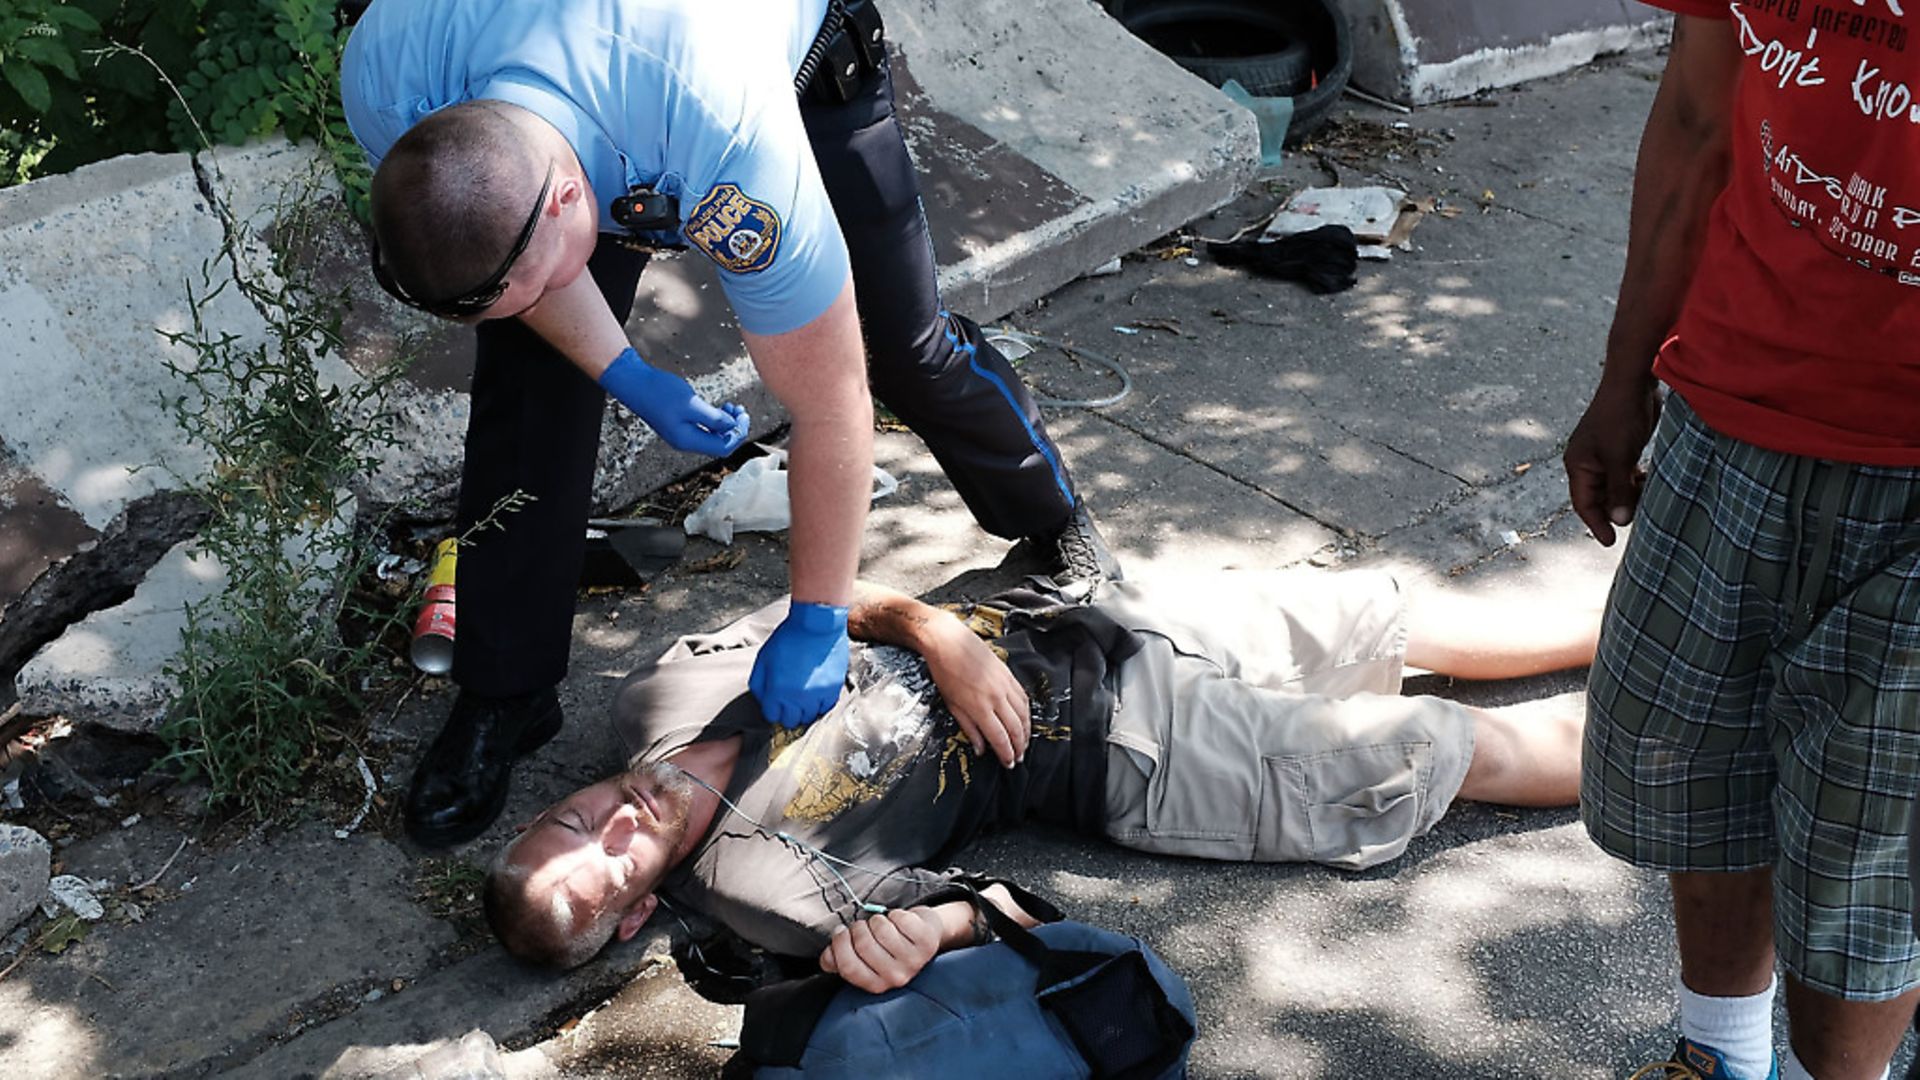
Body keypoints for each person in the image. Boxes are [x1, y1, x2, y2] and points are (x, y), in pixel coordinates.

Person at [338, 0, 1119, 848]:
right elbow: (488, 239)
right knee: (530, 383)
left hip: (782, 51)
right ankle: (505, 689)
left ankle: (1051, 514)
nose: (529, 307)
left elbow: (830, 401)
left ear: (573, 199)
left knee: (899, 344)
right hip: (572, 104)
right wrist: (623, 369)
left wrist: (819, 616)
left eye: (525, 290)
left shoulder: (733, 147)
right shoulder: (392, 78)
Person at [482, 567, 1600, 986]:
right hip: (1136, 752)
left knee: (1397, 615)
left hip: (1088, 620)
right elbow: (1011, 910)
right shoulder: (762, 890)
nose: (608, 824)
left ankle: (1679, 624)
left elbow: (828, 596)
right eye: (602, 868)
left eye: (565, 822)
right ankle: (1699, 745)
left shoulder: (657, 700)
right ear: (632, 919)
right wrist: (939, 934)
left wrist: (935, 633)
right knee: (1444, 757)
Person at [1562, 4, 1920, 1078]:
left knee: (1865, 862)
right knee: (1697, 771)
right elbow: (1696, 110)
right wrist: (1623, 383)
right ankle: (1717, 1054)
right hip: (1730, 410)